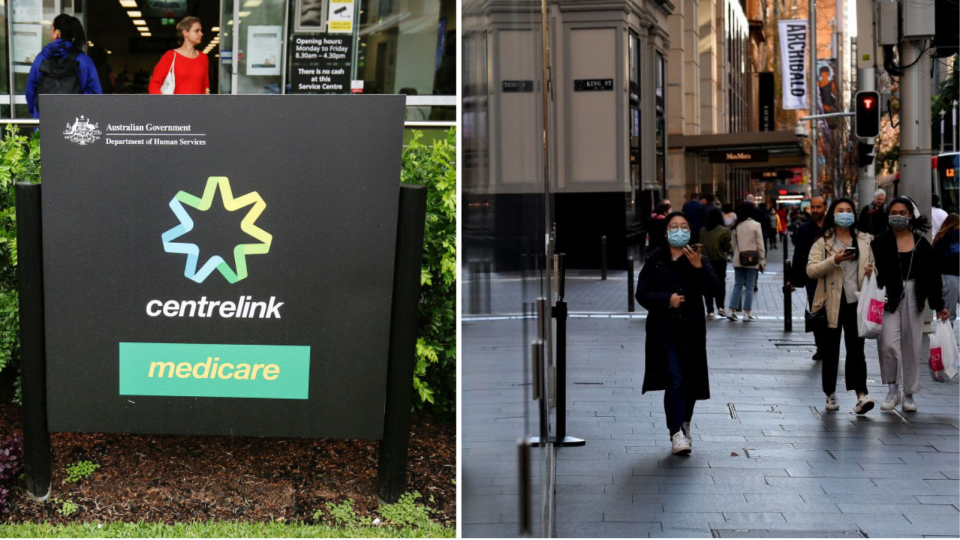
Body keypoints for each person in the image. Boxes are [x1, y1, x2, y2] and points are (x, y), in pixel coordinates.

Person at [635, 212, 720, 455]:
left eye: (684, 226)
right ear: (666, 232)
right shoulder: (655, 259)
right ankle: (676, 433)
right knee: (674, 378)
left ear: (690, 231)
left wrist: (699, 267)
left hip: (691, 330)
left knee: (690, 382)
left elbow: (714, 288)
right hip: (664, 331)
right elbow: (641, 293)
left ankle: (685, 422)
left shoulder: (697, 257)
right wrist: (666, 299)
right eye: (674, 226)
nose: (679, 231)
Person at [871, 197, 950, 413]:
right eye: (894, 212)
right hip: (888, 297)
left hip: (915, 295)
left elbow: (933, 276)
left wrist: (938, 305)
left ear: (911, 215)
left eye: (902, 213)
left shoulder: (921, 244)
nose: (898, 216)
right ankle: (892, 389)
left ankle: (909, 394)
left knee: (912, 346)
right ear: (888, 216)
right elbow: (872, 271)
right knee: (887, 344)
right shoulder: (879, 242)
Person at [806, 198, 876, 414]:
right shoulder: (823, 242)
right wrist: (834, 260)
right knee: (831, 350)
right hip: (831, 303)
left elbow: (876, 268)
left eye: (848, 210)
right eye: (840, 210)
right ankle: (830, 393)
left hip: (857, 301)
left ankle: (861, 395)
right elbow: (811, 270)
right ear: (832, 214)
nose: (845, 214)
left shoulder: (865, 240)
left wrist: (871, 271)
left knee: (857, 350)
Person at [25, 14, 101, 118]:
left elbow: (30, 91)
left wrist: (37, 114)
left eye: (51, 29)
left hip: (45, 123)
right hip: (74, 125)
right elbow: (95, 96)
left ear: (57, 33)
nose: (50, 33)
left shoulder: (41, 58)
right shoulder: (84, 61)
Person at [790, 196, 828, 360]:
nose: (815, 210)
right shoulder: (805, 229)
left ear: (825, 207)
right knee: (816, 312)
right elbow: (798, 254)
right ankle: (821, 346)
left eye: (818, 207)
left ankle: (829, 345)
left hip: (832, 275)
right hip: (813, 277)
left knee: (832, 313)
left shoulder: (833, 227)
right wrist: (793, 278)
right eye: (813, 207)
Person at [149, 17, 210, 95]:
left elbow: (205, 88)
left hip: (197, 106)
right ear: (185, 33)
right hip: (174, 106)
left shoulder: (203, 58)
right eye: (197, 31)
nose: (201, 34)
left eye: (201, 31)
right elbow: (154, 84)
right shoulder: (170, 56)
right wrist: (162, 104)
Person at [727, 203, 765, 321]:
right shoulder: (756, 225)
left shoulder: (736, 225)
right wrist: (762, 261)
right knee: (750, 286)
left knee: (737, 285)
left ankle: (732, 310)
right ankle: (747, 313)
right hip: (752, 260)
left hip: (739, 259)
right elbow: (760, 245)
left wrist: (737, 254)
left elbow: (732, 244)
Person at [700, 207, 731, 319]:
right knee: (720, 283)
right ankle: (721, 307)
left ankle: (710, 310)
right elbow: (727, 247)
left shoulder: (703, 230)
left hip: (705, 260)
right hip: (719, 260)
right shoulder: (724, 230)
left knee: (707, 284)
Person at [932, 213, 959, 323]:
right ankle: (947, 339)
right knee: (948, 312)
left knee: (949, 310)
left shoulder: (943, 238)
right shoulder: (948, 238)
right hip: (949, 276)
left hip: (951, 275)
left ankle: (948, 338)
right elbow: (946, 258)